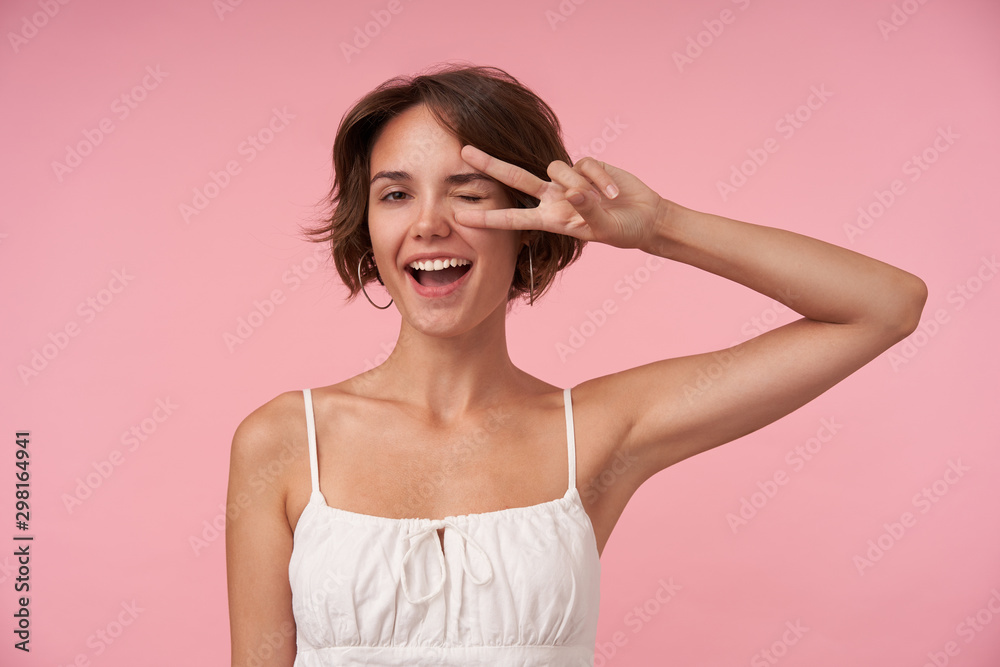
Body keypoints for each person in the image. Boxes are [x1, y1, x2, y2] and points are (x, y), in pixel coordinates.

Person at [225, 64, 927, 666]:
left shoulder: (594, 432)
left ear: (528, 218)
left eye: (469, 192)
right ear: (367, 227)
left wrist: (658, 226)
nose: (428, 224)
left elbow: (885, 305)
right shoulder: (286, 441)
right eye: (396, 193)